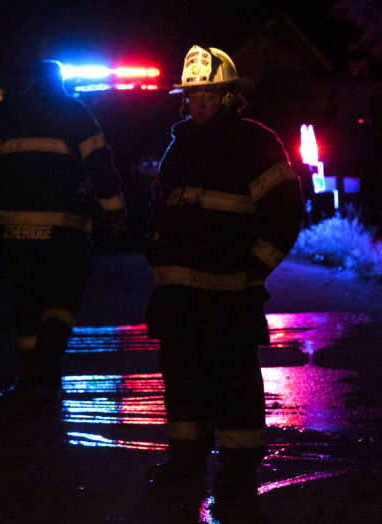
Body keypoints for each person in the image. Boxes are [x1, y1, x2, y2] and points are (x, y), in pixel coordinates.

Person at [144, 45, 305, 497]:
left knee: (232, 382)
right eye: (193, 96)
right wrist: (154, 248)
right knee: (182, 382)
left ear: (231, 98)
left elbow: (285, 215)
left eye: (210, 96)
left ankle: (239, 469)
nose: (199, 104)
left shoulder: (255, 144)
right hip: (176, 297)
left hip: (230, 295)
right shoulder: (178, 147)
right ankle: (185, 462)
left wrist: (255, 270)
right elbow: (159, 209)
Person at [0, 59, 126, 397]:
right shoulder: (76, 112)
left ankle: (30, 367)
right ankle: (46, 359)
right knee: (64, 294)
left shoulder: (7, 111)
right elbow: (99, 164)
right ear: (61, 83)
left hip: (12, 227)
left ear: (32, 81)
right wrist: (115, 211)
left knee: (25, 295)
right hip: (63, 227)